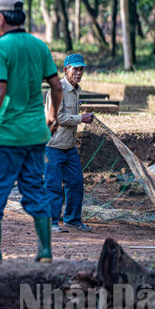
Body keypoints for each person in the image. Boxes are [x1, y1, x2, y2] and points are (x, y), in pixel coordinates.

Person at [0, 0, 63, 263]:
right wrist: (53, 116)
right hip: (36, 134)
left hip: (6, 136)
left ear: (0, 18)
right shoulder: (39, 46)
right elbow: (57, 87)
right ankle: (45, 252)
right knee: (35, 189)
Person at [44, 54, 94, 233]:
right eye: (75, 69)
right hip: (52, 146)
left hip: (69, 147)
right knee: (53, 186)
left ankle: (72, 220)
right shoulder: (57, 89)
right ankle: (50, 223)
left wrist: (75, 137)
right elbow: (55, 117)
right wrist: (81, 118)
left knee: (76, 183)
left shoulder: (76, 90)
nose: (79, 73)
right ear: (65, 70)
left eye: (81, 69)